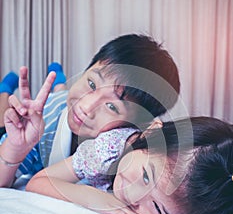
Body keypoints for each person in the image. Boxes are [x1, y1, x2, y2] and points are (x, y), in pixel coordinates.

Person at [0, 33, 180, 188]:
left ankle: (59, 81)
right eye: (92, 83)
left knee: (67, 98)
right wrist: (16, 147)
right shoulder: (44, 120)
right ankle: (6, 88)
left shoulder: (130, 150)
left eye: (112, 107)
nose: (87, 107)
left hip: (64, 105)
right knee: (7, 117)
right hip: (57, 107)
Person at [26, 116, 233, 214]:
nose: (133, 196)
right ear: (152, 133)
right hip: (54, 131)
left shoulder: (213, 199)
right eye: (145, 176)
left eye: (158, 208)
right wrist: (92, 197)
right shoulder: (108, 149)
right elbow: (38, 181)